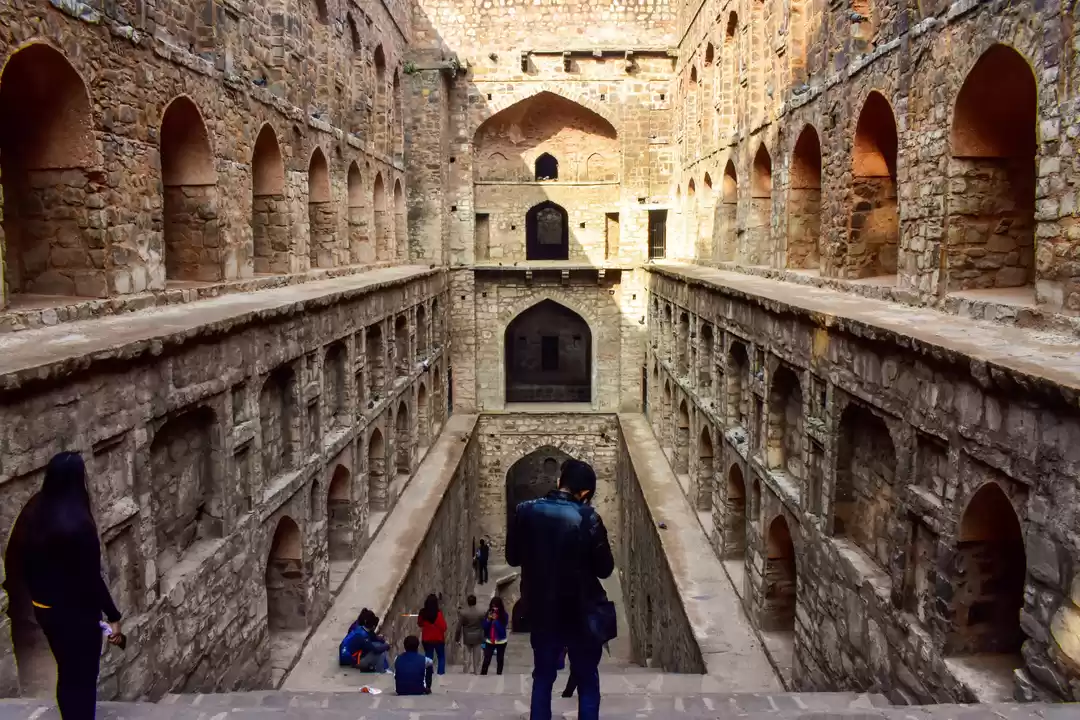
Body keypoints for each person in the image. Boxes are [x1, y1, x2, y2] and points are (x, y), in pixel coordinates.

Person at [8, 452, 123, 720]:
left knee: (66, 671)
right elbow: (91, 578)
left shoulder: (34, 513)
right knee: (84, 677)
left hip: (46, 611)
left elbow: (22, 561)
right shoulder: (79, 524)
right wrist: (113, 616)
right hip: (77, 614)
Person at [506, 459, 615, 720]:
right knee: (587, 681)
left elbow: (512, 557)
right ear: (585, 492)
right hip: (581, 612)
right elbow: (604, 569)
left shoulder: (525, 511)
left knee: (543, 678)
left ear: (559, 482)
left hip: (543, 610)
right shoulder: (588, 518)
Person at [454, 594, 485, 674]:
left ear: (468, 602)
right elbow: (485, 624)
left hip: (467, 636)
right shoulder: (481, 612)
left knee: (466, 657)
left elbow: (459, 627)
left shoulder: (464, 613)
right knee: (476, 657)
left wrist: (457, 638)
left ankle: (466, 671)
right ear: (475, 602)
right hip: (478, 636)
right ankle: (476, 671)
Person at [417, 594, 447, 675]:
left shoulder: (422, 613)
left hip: (427, 639)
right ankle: (440, 673)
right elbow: (444, 627)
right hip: (438, 639)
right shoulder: (438, 613)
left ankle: (429, 673)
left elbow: (419, 623)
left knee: (428, 656)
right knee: (441, 657)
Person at [480, 596, 508, 675]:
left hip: (501, 641)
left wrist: (496, 621)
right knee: (487, 659)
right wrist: (488, 620)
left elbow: (502, 630)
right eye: (493, 606)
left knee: (500, 659)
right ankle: (483, 674)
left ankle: (499, 674)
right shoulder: (488, 614)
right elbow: (484, 627)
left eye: (496, 606)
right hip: (490, 640)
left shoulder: (504, 615)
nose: (494, 608)